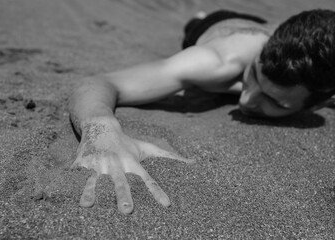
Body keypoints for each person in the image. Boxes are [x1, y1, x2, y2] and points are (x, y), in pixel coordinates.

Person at [68, 9, 335, 214]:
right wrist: (101, 131)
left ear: (316, 106)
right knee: (196, 25)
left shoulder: (318, 92)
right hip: (220, 25)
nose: (247, 99)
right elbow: (98, 83)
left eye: (275, 102)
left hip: (267, 28)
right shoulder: (217, 62)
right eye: (254, 73)